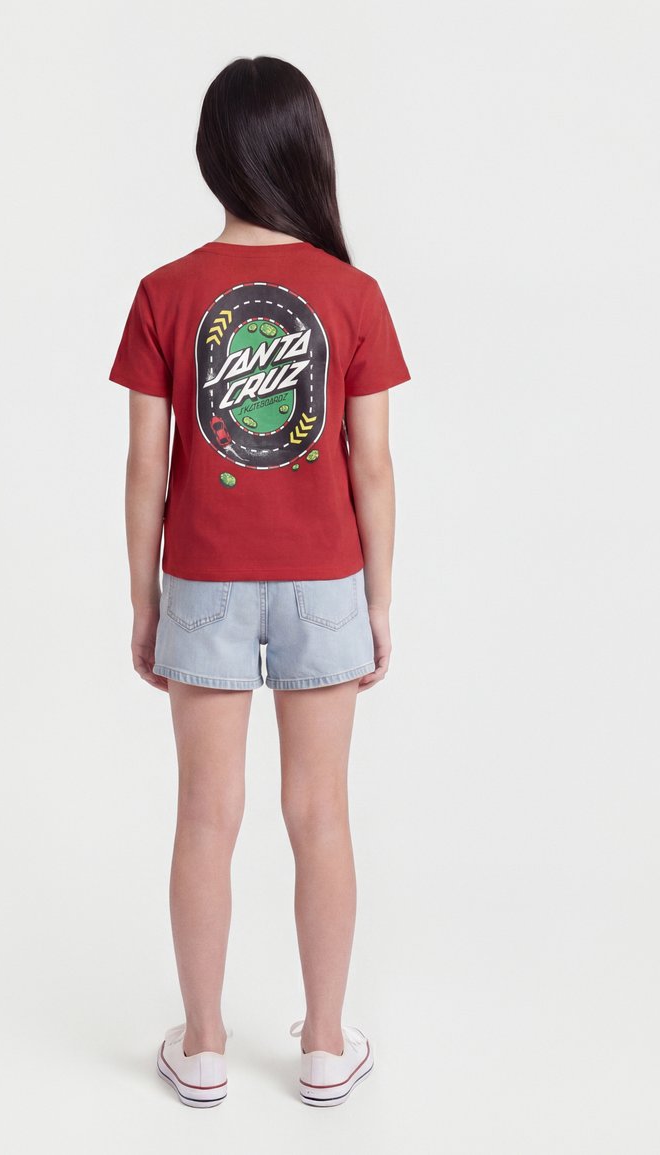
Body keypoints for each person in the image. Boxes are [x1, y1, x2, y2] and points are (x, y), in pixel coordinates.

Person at [108, 55, 411, 1108]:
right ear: (305, 150)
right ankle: (324, 1046)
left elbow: (146, 466)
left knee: (206, 815)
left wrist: (144, 601)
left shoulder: (165, 292)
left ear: (212, 156)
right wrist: (378, 600)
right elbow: (372, 465)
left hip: (204, 578)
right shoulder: (353, 295)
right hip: (326, 575)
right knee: (319, 813)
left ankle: (201, 1048)